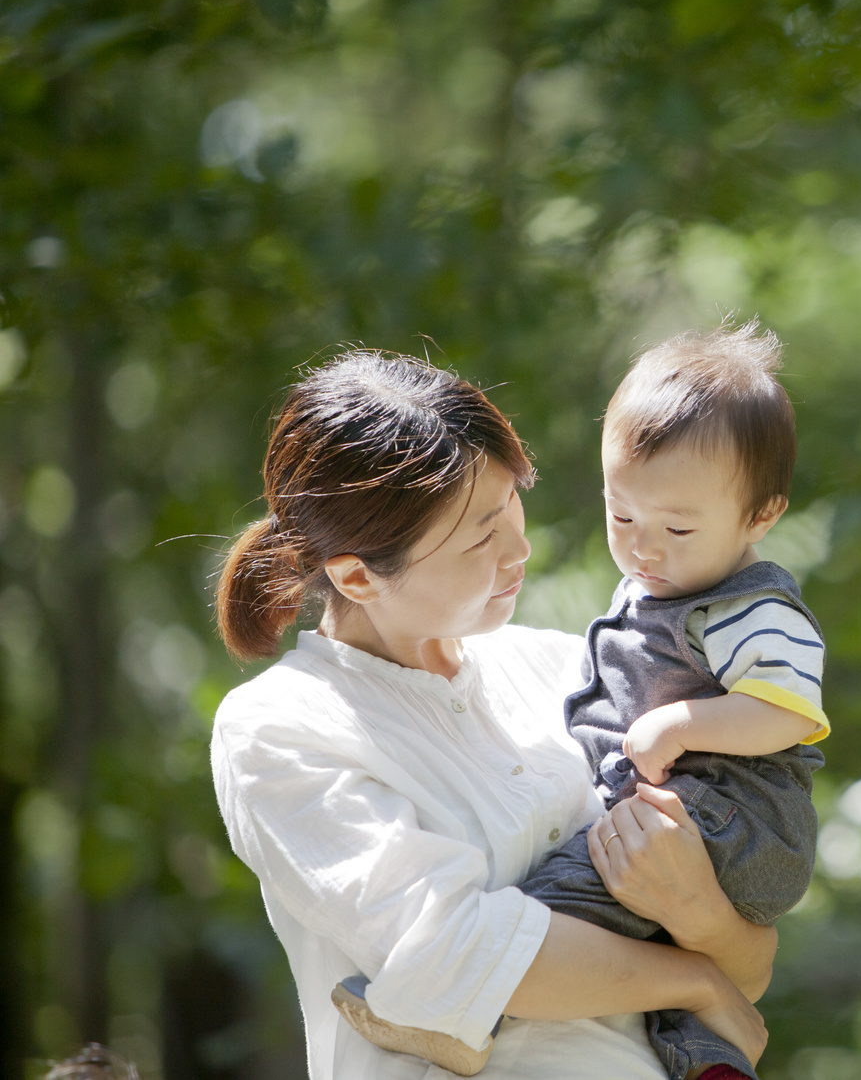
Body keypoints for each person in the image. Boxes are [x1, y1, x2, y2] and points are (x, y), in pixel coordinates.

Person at [209, 351, 771, 1080]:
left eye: (511, 504)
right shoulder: (283, 725)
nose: (519, 548)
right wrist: (692, 980)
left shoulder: (574, 669)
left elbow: (749, 963)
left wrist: (702, 910)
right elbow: (451, 951)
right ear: (356, 574)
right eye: (480, 535)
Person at [342, 324, 828, 1080]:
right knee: (640, 929)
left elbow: (791, 709)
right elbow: (724, 962)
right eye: (621, 516)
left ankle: (463, 1014)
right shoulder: (287, 725)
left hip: (736, 812)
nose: (644, 548)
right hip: (693, 814)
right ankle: (708, 1060)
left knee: (576, 883)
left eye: (677, 527)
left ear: (761, 516)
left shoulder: (748, 608)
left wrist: (681, 722)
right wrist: (701, 970)